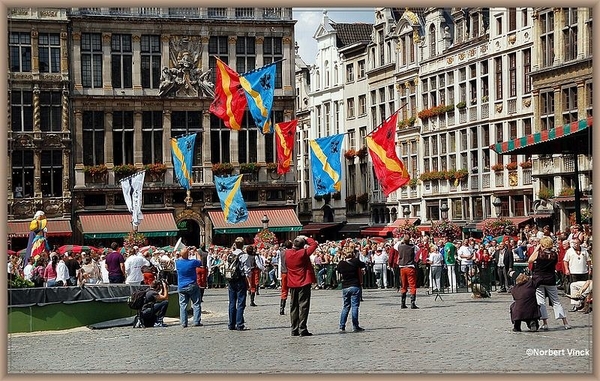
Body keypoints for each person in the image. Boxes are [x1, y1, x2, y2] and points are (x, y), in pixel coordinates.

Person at [529, 236, 571, 330]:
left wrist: (536, 248)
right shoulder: (554, 254)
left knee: (541, 302)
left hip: (539, 279)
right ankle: (565, 322)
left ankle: (545, 323)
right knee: (556, 301)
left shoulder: (539, 253)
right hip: (550, 279)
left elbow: (530, 260)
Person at [286, 234, 318, 336]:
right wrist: (306, 238)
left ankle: (294, 328)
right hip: (303, 281)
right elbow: (314, 244)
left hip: (292, 282)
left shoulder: (286, 253)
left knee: (293, 306)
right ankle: (302, 328)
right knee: (303, 305)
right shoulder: (303, 253)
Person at [336, 246, 366, 333]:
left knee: (346, 306)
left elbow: (339, 271)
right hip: (355, 285)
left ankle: (342, 326)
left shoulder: (341, 263)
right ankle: (355, 326)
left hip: (345, 286)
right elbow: (363, 264)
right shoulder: (355, 261)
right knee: (355, 306)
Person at [227, 237, 252, 331]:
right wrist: (249, 282)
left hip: (231, 280)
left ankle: (231, 324)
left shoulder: (230, 254)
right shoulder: (244, 256)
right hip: (240, 280)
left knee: (232, 303)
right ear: (243, 245)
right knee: (241, 303)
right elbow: (247, 271)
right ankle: (240, 324)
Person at [175, 246, 203, 328]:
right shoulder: (192, 262)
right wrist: (196, 252)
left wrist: (183, 252)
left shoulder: (177, 262)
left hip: (181, 286)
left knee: (183, 305)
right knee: (196, 303)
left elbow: (177, 256)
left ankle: (183, 322)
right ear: (188, 254)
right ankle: (196, 321)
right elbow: (200, 262)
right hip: (191, 285)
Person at [396, 233, 419, 309]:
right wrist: (411, 242)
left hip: (402, 267)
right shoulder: (413, 247)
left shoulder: (399, 246)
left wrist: (402, 240)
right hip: (410, 267)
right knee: (412, 285)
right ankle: (412, 303)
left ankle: (403, 303)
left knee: (404, 285)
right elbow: (418, 249)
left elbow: (395, 245)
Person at [279, 240, 292, 315]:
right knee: (293, 290)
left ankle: (281, 309)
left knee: (284, 290)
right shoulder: (291, 253)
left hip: (283, 272)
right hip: (291, 273)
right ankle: (293, 307)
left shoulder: (282, 253)